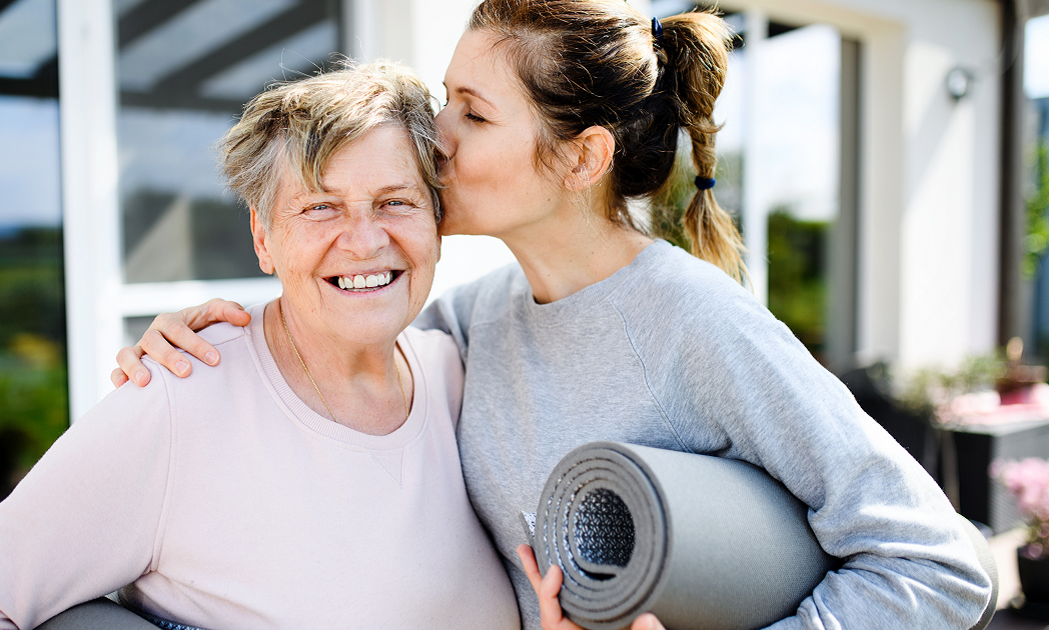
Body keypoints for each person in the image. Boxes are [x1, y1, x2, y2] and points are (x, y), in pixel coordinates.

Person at [113, 2, 993, 629]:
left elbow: (941, 565)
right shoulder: (473, 319)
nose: (436, 135)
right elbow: (337, 341)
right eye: (442, 98)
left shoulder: (699, 326)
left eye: (474, 112)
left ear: (581, 158)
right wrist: (223, 339)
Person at [0, 60, 520, 630]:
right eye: (320, 208)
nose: (363, 241)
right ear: (263, 235)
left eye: (395, 202)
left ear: (436, 222)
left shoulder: (453, 371)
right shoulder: (182, 396)